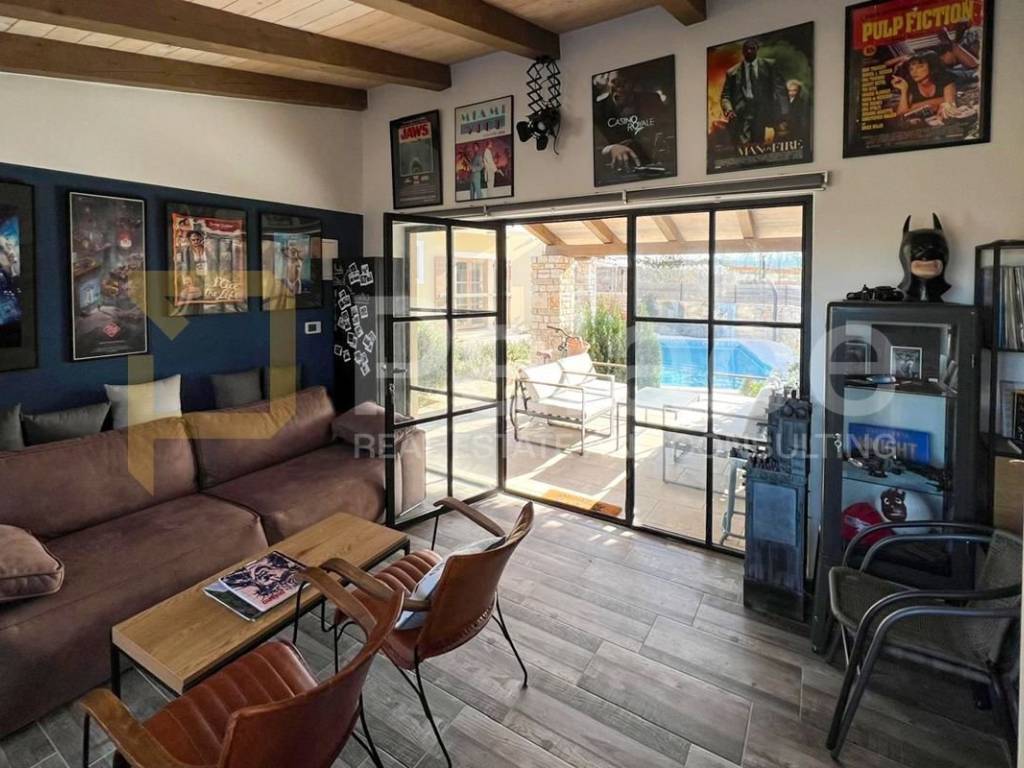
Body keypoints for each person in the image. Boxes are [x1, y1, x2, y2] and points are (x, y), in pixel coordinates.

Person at [593, 66, 672, 173]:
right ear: (608, 83)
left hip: (655, 165)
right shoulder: (599, 109)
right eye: (614, 82)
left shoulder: (652, 100)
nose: (619, 87)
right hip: (620, 169)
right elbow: (593, 147)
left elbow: (668, 128)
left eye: (624, 82)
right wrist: (611, 148)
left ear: (633, 83)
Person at [720, 38, 789, 145]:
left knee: (760, 142)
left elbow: (781, 90)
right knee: (744, 144)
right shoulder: (732, 72)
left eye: (752, 48)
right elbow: (725, 96)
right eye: (746, 49)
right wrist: (729, 110)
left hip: (764, 110)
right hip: (742, 112)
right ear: (742, 51)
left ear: (757, 49)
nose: (749, 51)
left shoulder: (769, 65)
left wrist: (785, 113)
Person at [892, 50, 956, 117]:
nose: (914, 72)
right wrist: (904, 89)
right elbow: (901, 113)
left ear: (931, 66)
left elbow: (950, 104)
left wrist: (914, 106)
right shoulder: (910, 85)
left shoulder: (945, 78)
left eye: (920, 67)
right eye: (911, 69)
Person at [175, 228, 209, 306]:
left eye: (197, 239)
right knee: (194, 297)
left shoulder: (206, 249)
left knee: (204, 297)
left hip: (206, 275)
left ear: (201, 238)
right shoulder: (186, 250)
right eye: (193, 240)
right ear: (190, 240)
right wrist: (186, 278)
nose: (196, 241)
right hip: (194, 277)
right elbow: (184, 265)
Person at [784, 78, 810, 144]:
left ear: (798, 91)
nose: (792, 93)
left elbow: (801, 119)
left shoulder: (801, 102)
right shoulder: (785, 101)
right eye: (790, 90)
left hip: (796, 130)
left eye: (794, 90)